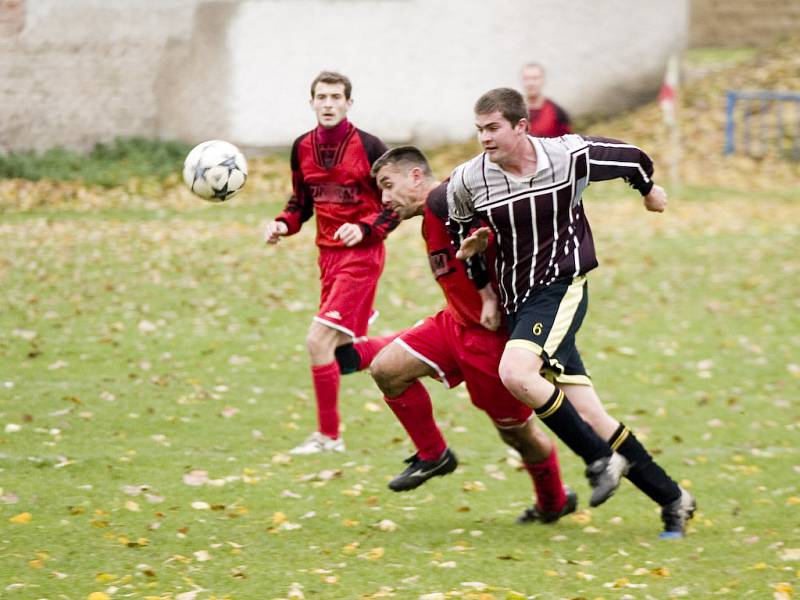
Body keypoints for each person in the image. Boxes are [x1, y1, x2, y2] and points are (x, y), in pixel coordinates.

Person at [446, 86, 696, 538]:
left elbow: (632, 156)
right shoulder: (469, 179)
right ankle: (674, 499)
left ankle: (600, 459)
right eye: (479, 129)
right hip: (520, 304)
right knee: (594, 416)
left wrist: (648, 190)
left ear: (521, 127)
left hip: (562, 286)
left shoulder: (567, 157)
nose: (483, 138)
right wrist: (478, 269)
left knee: (517, 373)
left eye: (493, 128)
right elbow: (458, 227)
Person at [339, 146, 576, 523]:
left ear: (416, 176)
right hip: (453, 325)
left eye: (388, 185)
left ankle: (554, 499)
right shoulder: (430, 215)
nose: (384, 198)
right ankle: (434, 455)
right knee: (387, 370)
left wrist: (495, 298)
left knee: (517, 434)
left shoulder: (448, 201)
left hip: (493, 341)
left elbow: (494, 236)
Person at [264, 71, 399, 455]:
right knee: (340, 355)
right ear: (311, 102)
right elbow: (300, 205)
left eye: (336, 97)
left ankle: (329, 437)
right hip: (327, 259)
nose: (328, 104)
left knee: (316, 341)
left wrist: (366, 229)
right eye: (321, 97)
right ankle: (408, 344)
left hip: (362, 258)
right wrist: (281, 225)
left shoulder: (371, 147)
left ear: (348, 103)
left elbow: (396, 206)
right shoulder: (301, 147)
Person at [520, 63, 572, 137]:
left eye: (535, 78)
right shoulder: (512, 112)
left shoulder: (558, 112)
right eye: (527, 78)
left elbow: (569, 144)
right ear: (522, 81)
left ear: (543, 81)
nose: (531, 83)